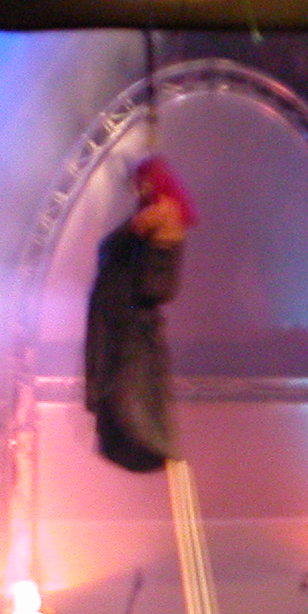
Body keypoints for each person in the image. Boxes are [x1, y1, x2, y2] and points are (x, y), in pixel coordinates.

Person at [84, 154, 195, 473]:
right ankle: (136, 440)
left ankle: (144, 442)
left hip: (130, 325)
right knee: (121, 392)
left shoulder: (159, 215)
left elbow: (156, 285)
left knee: (129, 394)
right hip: (119, 320)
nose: (138, 190)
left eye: (143, 183)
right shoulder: (146, 220)